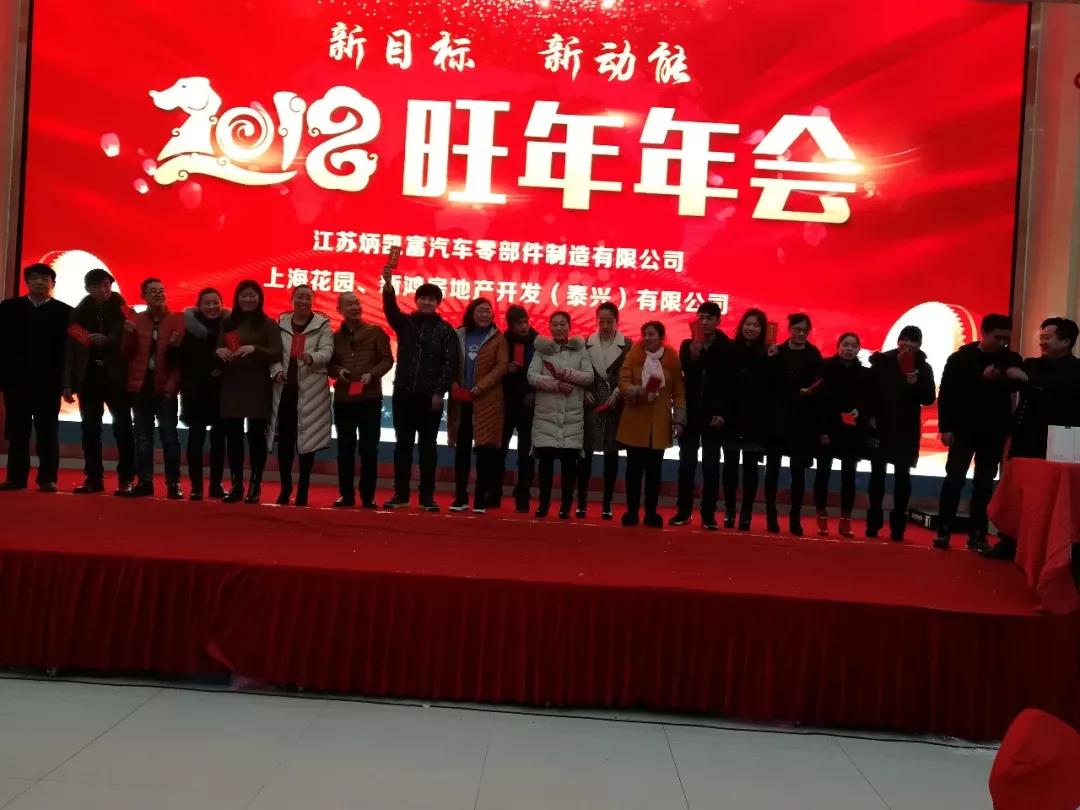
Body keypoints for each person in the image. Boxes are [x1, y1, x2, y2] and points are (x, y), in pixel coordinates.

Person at [984, 317, 1080, 560]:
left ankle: (1050, 548)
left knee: (1050, 496)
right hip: (1025, 436)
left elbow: (1062, 389)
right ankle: (1009, 541)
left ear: (1066, 341)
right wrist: (997, 376)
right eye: (1042, 337)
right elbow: (1013, 383)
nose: (1042, 342)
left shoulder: (1076, 369)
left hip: (1059, 440)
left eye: (1048, 338)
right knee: (1018, 492)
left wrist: (1028, 380)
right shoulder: (1032, 364)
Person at [934, 313, 1023, 551]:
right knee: (954, 480)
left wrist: (1009, 377)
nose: (1002, 342)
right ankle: (943, 529)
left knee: (984, 484)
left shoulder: (1011, 358)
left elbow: (1018, 386)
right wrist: (945, 428)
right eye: (998, 337)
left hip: (994, 431)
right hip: (963, 429)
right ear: (984, 333)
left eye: (1006, 338)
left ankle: (977, 534)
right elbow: (947, 394)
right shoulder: (960, 358)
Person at [381, 264, 454, 511]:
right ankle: (400, 494)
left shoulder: (445, 330)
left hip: (429, 398)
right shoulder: (406, 323)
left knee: (428, 448)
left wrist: (439, 392)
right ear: (416, 300)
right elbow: (390, 310)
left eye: (431, 299)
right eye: (423, 298)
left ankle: (426, 497)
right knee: (403, 445)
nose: (426, 302)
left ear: (438, 303)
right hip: (403, 394)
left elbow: (448, 364)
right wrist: (388, 286)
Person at [62, 268, 136, 495]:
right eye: (97, 286)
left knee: (124, 430)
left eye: (106, 285)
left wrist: (109, 340)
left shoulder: (125, 311)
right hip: (89, 378)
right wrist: (67, 383)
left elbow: (134, 343)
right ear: (87, 288)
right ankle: (93, 478)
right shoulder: (78, 313)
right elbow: (70, 351)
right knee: (90, 431)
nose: (103, 290)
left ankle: (126, 479)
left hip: (117, 379)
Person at [0, 263, 72, 492]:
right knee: (17, 432)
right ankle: (16, 478)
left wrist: (67, 382)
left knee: (47, 432)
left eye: (45, 278)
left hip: (49, 383)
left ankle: (47, 478)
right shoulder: (9, 308)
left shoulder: (65, 312)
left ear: (53, 284)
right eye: (34, 278)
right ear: (27, 282)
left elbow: (69, 351)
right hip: (16, 382)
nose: (40, 282)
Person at [866, 325, 936, 542]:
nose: (908, 344)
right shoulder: (882, 361)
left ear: (919, 345)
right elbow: (869, 392)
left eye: (914, 341)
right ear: (898, 342)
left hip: (906, 428)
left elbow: (929, 398)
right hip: (881, 426)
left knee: (903, 476)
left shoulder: (923, 367)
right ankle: (873, 523)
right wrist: (870, 417)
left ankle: (898, 527)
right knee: (877, 474)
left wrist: (915, 384)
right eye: (905, 339)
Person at [217, 280, 282, 504]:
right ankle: (236, 484)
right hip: (232, 385)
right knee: (233, 438)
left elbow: (276, 352)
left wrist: (255, 349)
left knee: (256, 438)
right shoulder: (229, 322)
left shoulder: (268, 323)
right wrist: (220, 351)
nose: (248, 299)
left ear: (259, 298)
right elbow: (218, 347)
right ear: (237, 298)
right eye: (243, 295)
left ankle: (255, 485)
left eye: (252, 295)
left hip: (258, 386)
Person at [269, 284, 334, 507]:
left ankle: (303, 486)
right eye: (299, 297)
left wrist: (312, 357)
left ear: (313, 301)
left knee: (308, 441)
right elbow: (274, 354)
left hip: (311, 391)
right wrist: (276, 370)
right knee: (285, 442)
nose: (303, 301)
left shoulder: (322, 324)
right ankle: (285, 486)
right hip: (285, 391)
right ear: (292, 299)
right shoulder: (281, 323)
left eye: (307, 298)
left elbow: (328, 351)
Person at [617, 321, 686, 528]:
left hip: (659, 422)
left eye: (651, 334)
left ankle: (651, 513)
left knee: (655, 473)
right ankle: (631, 512)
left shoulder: (672, 357)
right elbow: (623, 380)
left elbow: (679, 391)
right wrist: (636, 391)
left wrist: (679, 419)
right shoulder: (634, 354)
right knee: (633, 471)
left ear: (661, 337)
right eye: (645, 334)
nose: (647, 338)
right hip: (635, 418)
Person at [120, 278, 185, 499]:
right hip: (140, 387)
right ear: (144, 296)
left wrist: (171, 389)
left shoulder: (177, 320)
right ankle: (144, 482)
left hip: (165, 388)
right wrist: (128, 333)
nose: (158, 294)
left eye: (161, 290)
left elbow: (179, 362)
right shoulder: (135, 320)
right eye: (153, 291)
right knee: (143, 438)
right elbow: (126, 353)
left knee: (169, 437)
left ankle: (173, 484)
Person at [328, 291, 393, 509]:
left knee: (368, 449)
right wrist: (339, 371)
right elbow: (329, 364)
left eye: (357, 303)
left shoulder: (375, 332)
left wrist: (372, 374)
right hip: (344, 399)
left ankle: (368, 496)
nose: (355, 307)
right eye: (349, 304)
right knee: (345, 449)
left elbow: (387, 359)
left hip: (369, 398)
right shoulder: (335, 337)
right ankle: (346, 495)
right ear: (339, 310)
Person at [528, 311, 594, 519]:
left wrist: (567, 374)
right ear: (549, 327)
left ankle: (566, 506)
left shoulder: (580, 349)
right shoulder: (541, 350)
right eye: (555, 324)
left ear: (569, 326)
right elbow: (531, 376)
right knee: (545, 466)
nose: (559, 328)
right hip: (546, 416)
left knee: (569, 467)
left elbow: (589, 377)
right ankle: (543, 504)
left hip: (572, 418)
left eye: (562, 324)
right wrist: (556, 384)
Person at [671, 301, 730, 528]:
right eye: (701, 318)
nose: (704, 322)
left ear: (718, 321)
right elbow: (688, 369)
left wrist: (722, 412)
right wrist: (696, 347)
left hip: (714, 417)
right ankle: (683, 511)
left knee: (711, 468)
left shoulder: (726, 347)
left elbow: (729, 384)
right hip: (691, 414)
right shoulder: (687, 345)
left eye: (709, 318)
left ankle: (708, 515)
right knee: (686, 465)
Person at [764, 314, 824, 536]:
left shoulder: (813, 354)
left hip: (802, 420)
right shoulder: (776, 351)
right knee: (772, 469)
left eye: (805, 330)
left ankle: (795, 517)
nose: (801, 334)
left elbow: (820, 385)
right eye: (797, 329)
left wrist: (810, 392)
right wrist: (770, 359)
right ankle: (771, 515)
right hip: (777, 418)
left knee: (798, 472)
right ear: (789, 329)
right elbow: (767, 383)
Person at [448, 298, 509, 514]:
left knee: (484, 450)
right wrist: (453, 382)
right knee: (462, 449)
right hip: (462, 400)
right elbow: (450, 362)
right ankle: (461, 496)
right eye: (480, 311)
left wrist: (481, 386)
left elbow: (502, 366)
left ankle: (480, 497)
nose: (484, 314)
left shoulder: (498, 338)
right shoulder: (459, 334)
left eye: (488, 311)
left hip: (486, 400)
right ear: (471, 313)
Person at [713, 309, 771, 531]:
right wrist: (720, 412)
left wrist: (773, 358)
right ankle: (729, 510)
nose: (751, 328)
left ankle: (746, 512)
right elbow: (722, 383)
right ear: (741, 325)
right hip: (731, 417)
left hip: (755, 419)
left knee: (750, 469)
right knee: (729, 467)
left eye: (756, 325)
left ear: (762, 329)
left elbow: (772, 387)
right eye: (748, 324)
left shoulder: (767, 353)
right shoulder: (730, 349)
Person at [813, 333, 871, 538]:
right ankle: (821, 518)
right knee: (823, 474)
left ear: (859, 349)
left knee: (849, 477)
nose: (849, 349)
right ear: (838, 346)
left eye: (854, 346)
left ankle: (845, 520)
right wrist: (822, 430)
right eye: (845, 345)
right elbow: (817, 401)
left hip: (852, 431)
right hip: (828, 429)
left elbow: (869, 401)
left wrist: (859, 410)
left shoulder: (864, 373)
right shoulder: (825, 367)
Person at [580, 302, 631, 519]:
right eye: (602, 321)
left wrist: (616, 394)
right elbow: (579, 370)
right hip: (591, 403)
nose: (605, 325)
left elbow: (627, 374)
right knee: (585, 454)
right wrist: (584, 391)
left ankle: (607, 503)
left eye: (609, 321)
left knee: (611, 455)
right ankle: (581, 501)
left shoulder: (626, 345)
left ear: (616, 321)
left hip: (614, 405)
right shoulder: (586, 343)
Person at [179, 288, 227, 500]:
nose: (212, 307)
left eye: (216, 302)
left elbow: (234, 354)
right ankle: (196, 487)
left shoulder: (230, 326)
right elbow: (182, 357)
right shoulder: (187, 326)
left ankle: (216, 485)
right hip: (195, 391)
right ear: (199, 306)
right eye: (207, 303)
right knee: (196, 440)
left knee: (219, 442)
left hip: (221, 392)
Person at [497, 306, 538, 513]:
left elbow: (544, 372)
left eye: (525, 322)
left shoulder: (539, 343)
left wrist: (533, 391)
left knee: (526, 455)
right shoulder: (502, 341)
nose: (524, 326)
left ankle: (523, 496)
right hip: (505, 404)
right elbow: (492, 368)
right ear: (510, 326)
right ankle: (494, 492)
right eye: (519, 323)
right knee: (499, 451)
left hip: (529, 405)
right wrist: (506, 369)